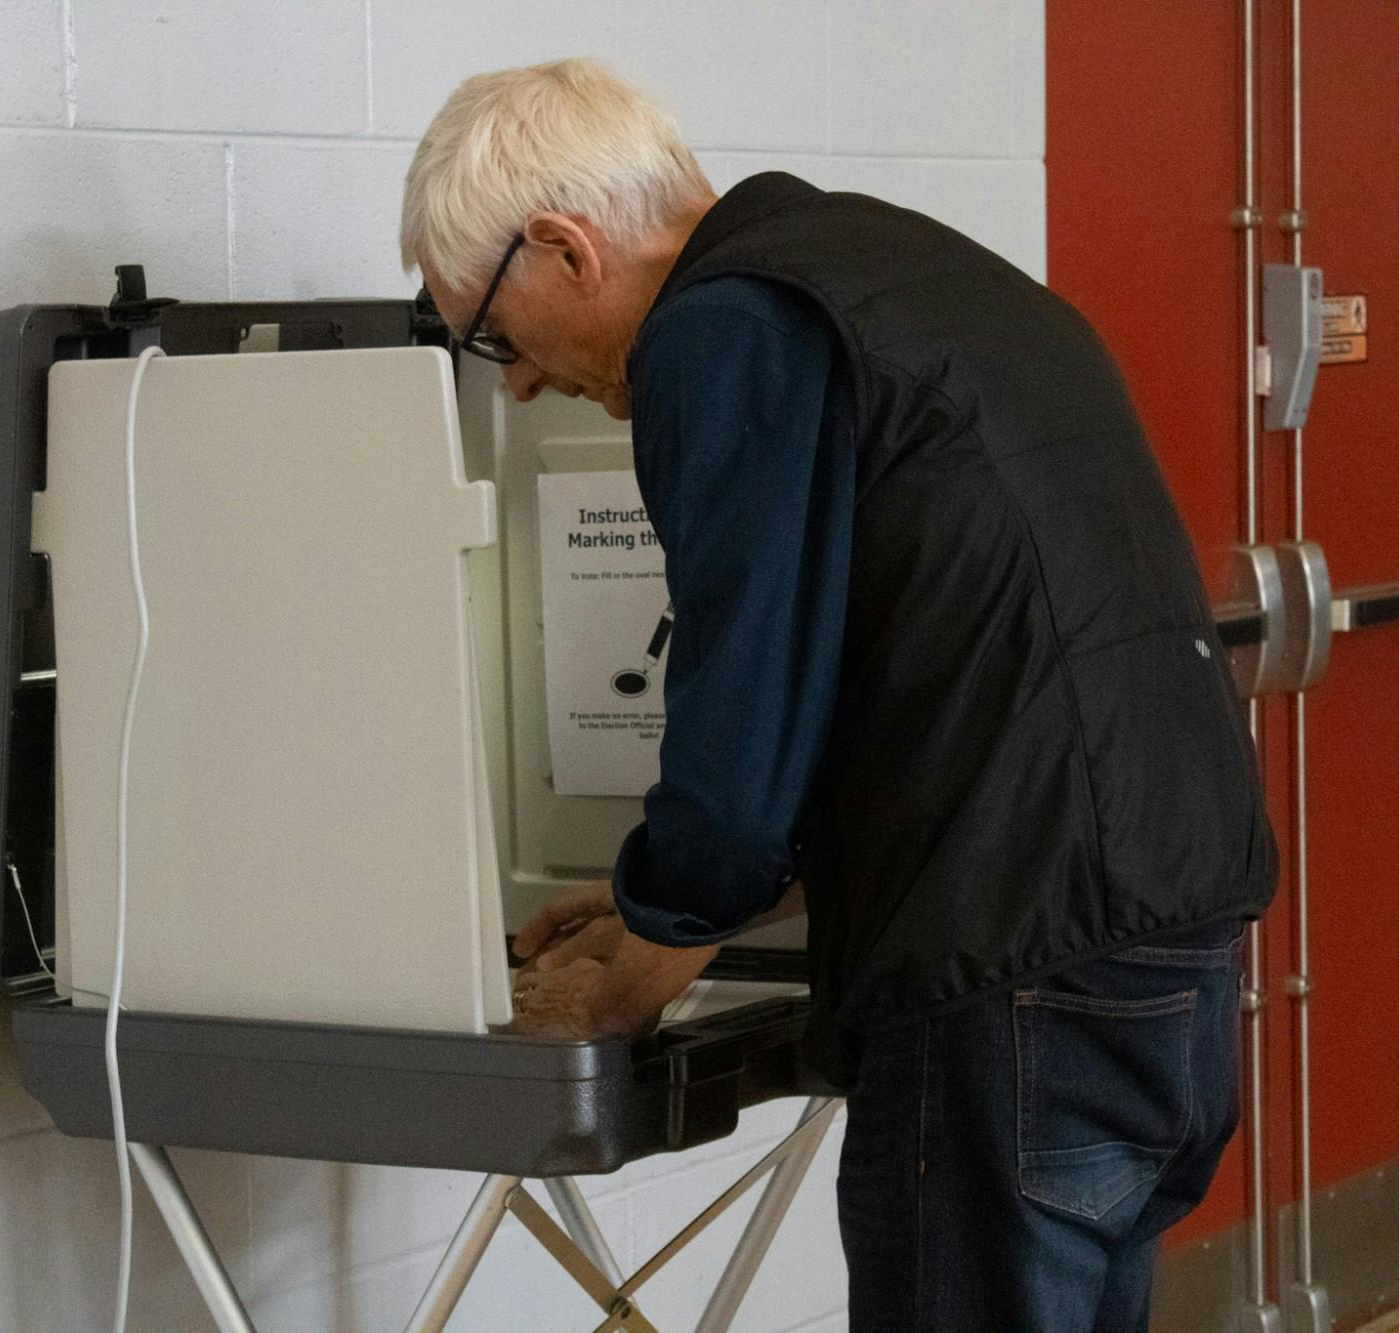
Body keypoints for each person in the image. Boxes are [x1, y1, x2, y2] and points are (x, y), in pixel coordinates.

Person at [401, 59, 1276, 1332]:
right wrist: (682, 895)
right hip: (1164, 947)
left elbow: (742, 705)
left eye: (489, 332)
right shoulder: (894, 269)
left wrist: (629, 975)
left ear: (562, 246)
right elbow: (944, 670)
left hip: (1009, 978)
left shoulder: (721, 326)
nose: (517, 380)